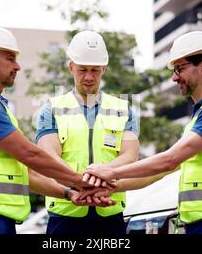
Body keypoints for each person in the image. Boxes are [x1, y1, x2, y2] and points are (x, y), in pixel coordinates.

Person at [84, 31, 202, 235]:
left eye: (179, 68)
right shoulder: (200, 116)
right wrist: (115, 187)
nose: (174, 77)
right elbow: (164, 170)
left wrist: (111, 172)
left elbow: (169, 160)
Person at [0, 26, 98, 234]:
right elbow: (30, 155)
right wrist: (80, 181)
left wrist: (68, 193)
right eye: (10, 58)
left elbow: (27, 173)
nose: (17, 66)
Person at [35, 30, 142, 234]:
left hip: (110, 212)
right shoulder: (52, 109)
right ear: (71, 67)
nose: (89, 77)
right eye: (83, 70)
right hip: (66, 213)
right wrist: (80, 182)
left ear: (104, 69)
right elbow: (48, 158)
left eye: (95, 70)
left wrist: (99, 176)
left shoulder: (123, 109)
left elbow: (130, 156)